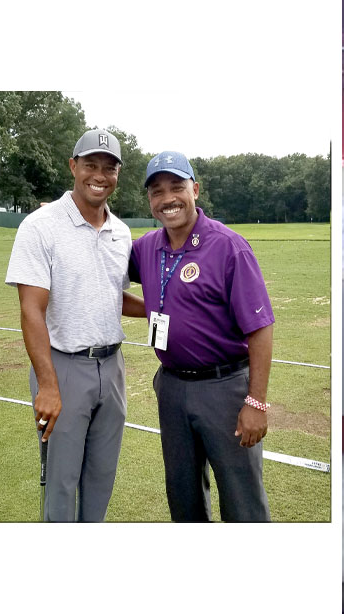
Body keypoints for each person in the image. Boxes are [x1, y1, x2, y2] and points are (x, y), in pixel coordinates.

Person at [128, 151, 273, 522]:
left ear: (194, 189)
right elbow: (100, 266)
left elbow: (260, 327)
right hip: (172, 387)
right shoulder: (146, 247)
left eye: (176, 187)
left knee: (242, 501)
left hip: (224, 389)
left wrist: (256, 402)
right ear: (149, 200)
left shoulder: (229, 246)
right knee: (183, 496)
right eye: (157, 191)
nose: (168, 199)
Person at [5, 128, 139, 522]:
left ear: (117, 174)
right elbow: (31, 310)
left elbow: (112, 296)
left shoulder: (121, 232)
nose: (99, 175)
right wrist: (47, 385)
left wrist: (168, 309)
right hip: (62, 367)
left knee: (101, 479)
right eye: (90, 165)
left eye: (109, 168)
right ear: (73, 166)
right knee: (61, 484)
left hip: (112, 368)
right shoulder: (40, 225)